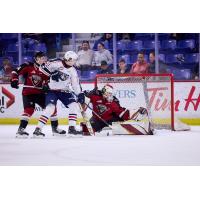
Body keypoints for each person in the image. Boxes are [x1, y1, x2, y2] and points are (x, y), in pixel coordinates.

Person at [10, 51, 65, 138]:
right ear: (36, 59)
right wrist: (14, 80)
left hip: (40, 93)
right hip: (28, 93)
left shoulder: (48, 68)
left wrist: (47, 85)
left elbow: (50, 80)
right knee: (29, 110)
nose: (44, 59)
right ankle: (21, 130)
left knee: (52, 108)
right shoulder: (28, 66)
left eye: (44, 58)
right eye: (42, 58)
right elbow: (15, 71)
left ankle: (55, 129)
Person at [33, 51, 85, 137]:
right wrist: (52, 74)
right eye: (74, 60)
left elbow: (75, 84)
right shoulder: (55, 62)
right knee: (50, 108)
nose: (74, 62)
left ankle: (72, 128)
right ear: (69, 59)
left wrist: (80, 94)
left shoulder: (73, 70)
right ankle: (38, 129)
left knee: (73, 105)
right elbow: (41, 68)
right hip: (52, 90)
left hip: (64, 91)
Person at [82, 85, 153, 135]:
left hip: (110, 119)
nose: (109, 95)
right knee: (86, 131)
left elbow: (121, 112)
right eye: (107, 93)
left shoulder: (113, 101)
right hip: (96, 119)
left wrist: (133, 113)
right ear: (103, 91)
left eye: (110, 94)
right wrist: (88, 94)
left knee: (119, 120)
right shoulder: (95, 96)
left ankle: (137, 116)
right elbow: (82, 95)